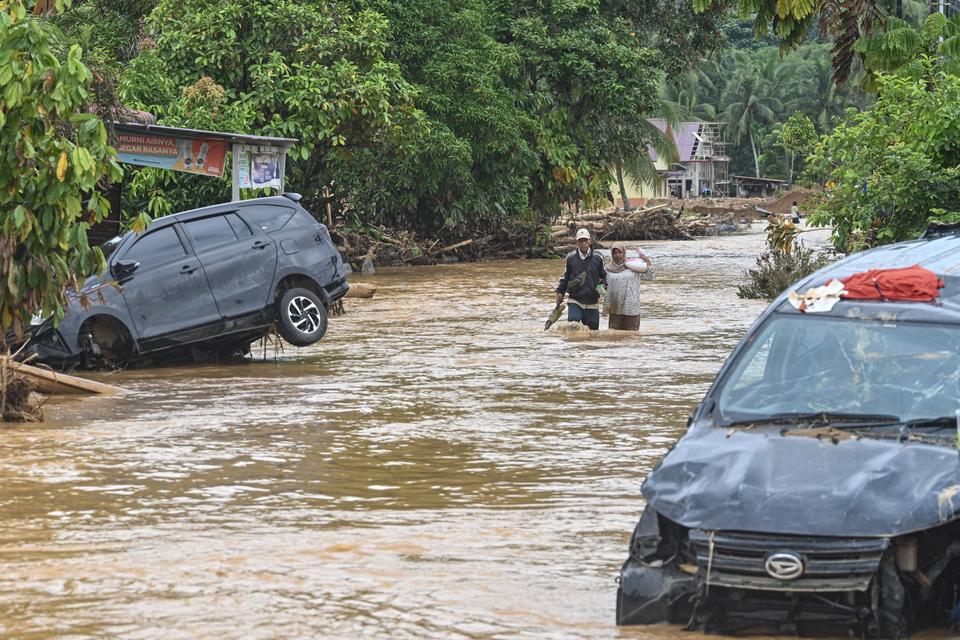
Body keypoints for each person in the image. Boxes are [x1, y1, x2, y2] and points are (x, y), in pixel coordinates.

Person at [556, 229, 606, 330]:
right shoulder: (570, 258)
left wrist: (603, 286)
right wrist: (560, 292)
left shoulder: (598, 258)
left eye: (585, 240)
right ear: (577, 242)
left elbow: (604, 276)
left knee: (593, 333)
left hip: (592, 301)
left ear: (590, 241)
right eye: (580, 241)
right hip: (575, 300)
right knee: (573, 327)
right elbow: (565, 277)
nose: (583, 243)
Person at [604, 242, 652, 331]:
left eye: (620, 252)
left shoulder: (634, 266)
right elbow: (601, 284)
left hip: (632, 308)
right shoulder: (607, 269)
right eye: (614, 253)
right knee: (614, 336)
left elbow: (650, 276)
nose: (617, 255)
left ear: (624, 253)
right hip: (615, 307)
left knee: (631, 337)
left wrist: (646, 259)